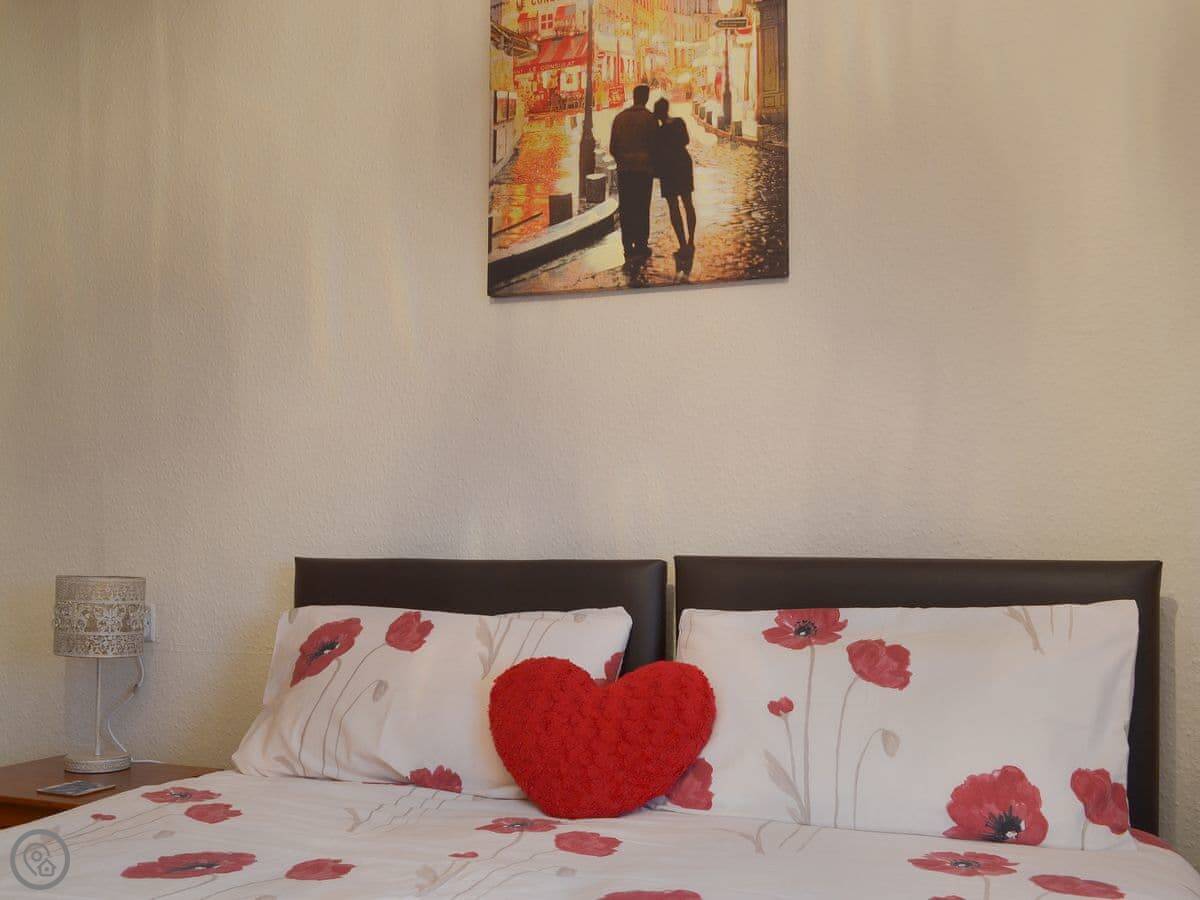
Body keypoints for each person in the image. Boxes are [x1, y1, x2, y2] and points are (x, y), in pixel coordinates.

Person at [609, 84, 657, 262]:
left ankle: (627, 244)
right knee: (642, 207)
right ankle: (641, 244)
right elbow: (656, 146)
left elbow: (613, 147)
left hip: (625, 171)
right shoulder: (650, 119)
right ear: (646, 98)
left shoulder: (620, 118)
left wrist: (623, 160)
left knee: (627, 207)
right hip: (643, 171)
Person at [652, 97, 696, 254]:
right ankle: (691, 240)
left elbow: (655, 152)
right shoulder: (679, 122)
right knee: (688, 202)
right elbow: (686, 140)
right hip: (683, 163)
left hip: (667, 169)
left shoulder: (658, 132)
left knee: (673, 206)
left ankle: (682, 243)